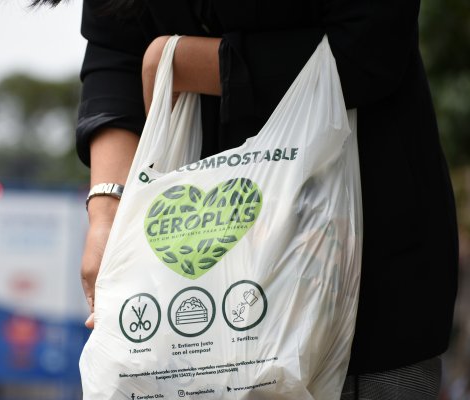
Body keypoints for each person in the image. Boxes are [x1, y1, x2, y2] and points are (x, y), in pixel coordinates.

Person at [35, 0, 459, 398]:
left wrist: (189, 62)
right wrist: (107, 212)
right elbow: (114, 47)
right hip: (187, 278)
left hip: (356, 258)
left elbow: (374, 40)